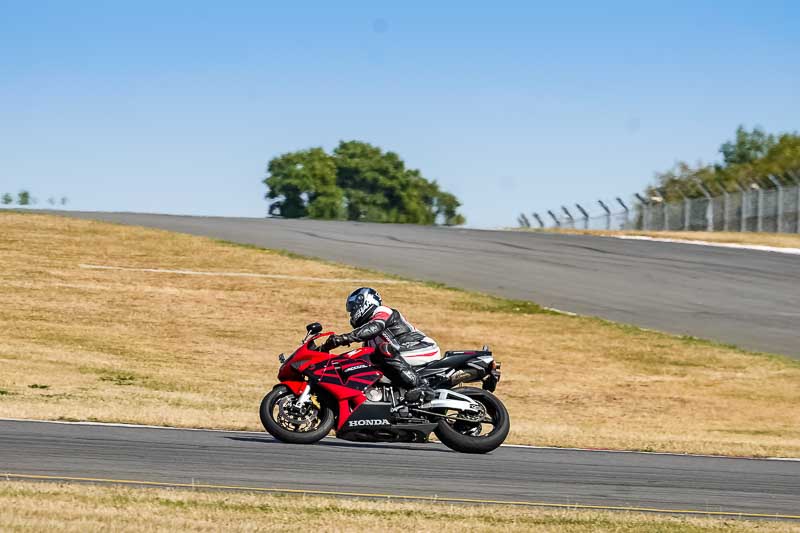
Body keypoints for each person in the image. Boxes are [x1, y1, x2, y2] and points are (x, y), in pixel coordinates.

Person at [322, 287, 439, 404]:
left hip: (420, 347)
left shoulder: (382, 311)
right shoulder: (368, 341)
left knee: (383, 349)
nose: (352, 314)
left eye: (353, 309)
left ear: (365, 302)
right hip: (404, 355)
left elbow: (375, 327)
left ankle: (422, 386)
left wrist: (344, 338)